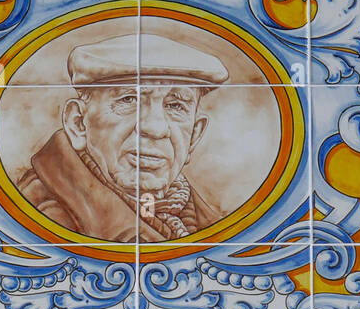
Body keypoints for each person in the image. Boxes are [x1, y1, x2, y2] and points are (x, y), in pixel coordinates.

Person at [16, 32, 229, 241]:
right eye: (129, 100)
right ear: (78, 123)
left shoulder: (212, 226)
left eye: (175, 106)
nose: (155, 128)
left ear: (194, 135)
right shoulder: (40, 222)